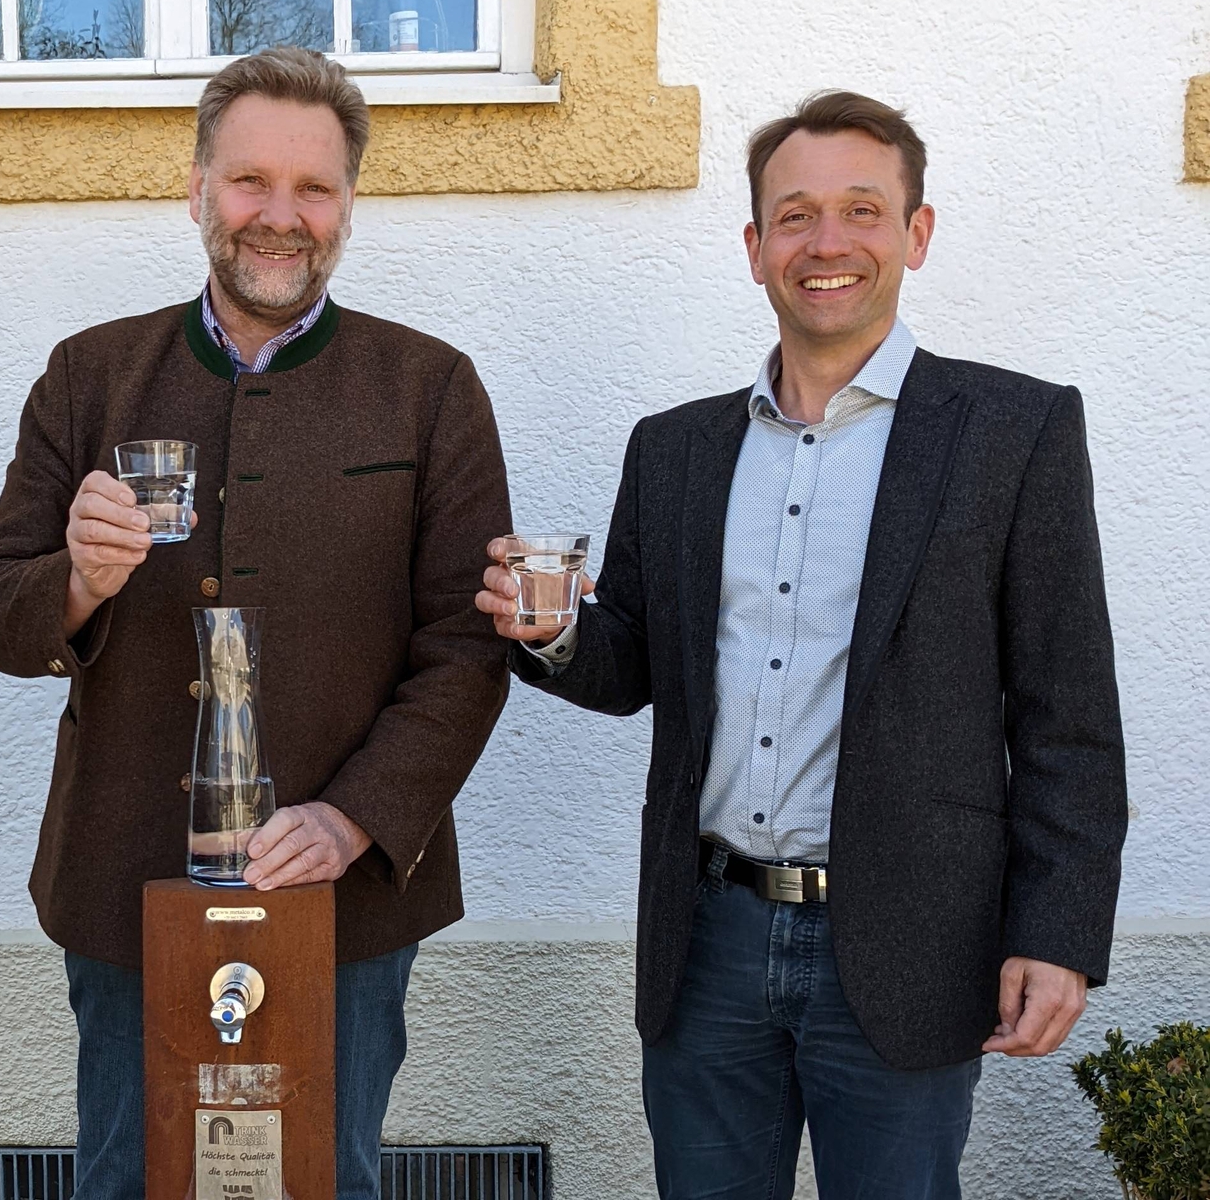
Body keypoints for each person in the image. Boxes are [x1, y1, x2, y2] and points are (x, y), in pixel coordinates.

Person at [476, 91, 1127, 1199]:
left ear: (916, 235)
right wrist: (554, 635)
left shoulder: (1016, 433)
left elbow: (1068, 716)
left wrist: (1059, 931)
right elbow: (631, 664)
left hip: (913, 943)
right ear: (755, 247)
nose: (828, 244)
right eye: (796, 216)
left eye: (862, 211)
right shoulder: (674, 449)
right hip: (708, 944)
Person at [0, 45, 513, 1200]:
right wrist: (75, 578)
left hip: (344, 894)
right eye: (252, 181)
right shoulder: (90, 375)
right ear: (200, 190)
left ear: (349, 206)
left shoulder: (433, 386)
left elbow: (466, 648)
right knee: (128, 1175)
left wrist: (359, 818)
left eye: (313, 188)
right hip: (125, 877)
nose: (281, 215)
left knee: (325, 1176)